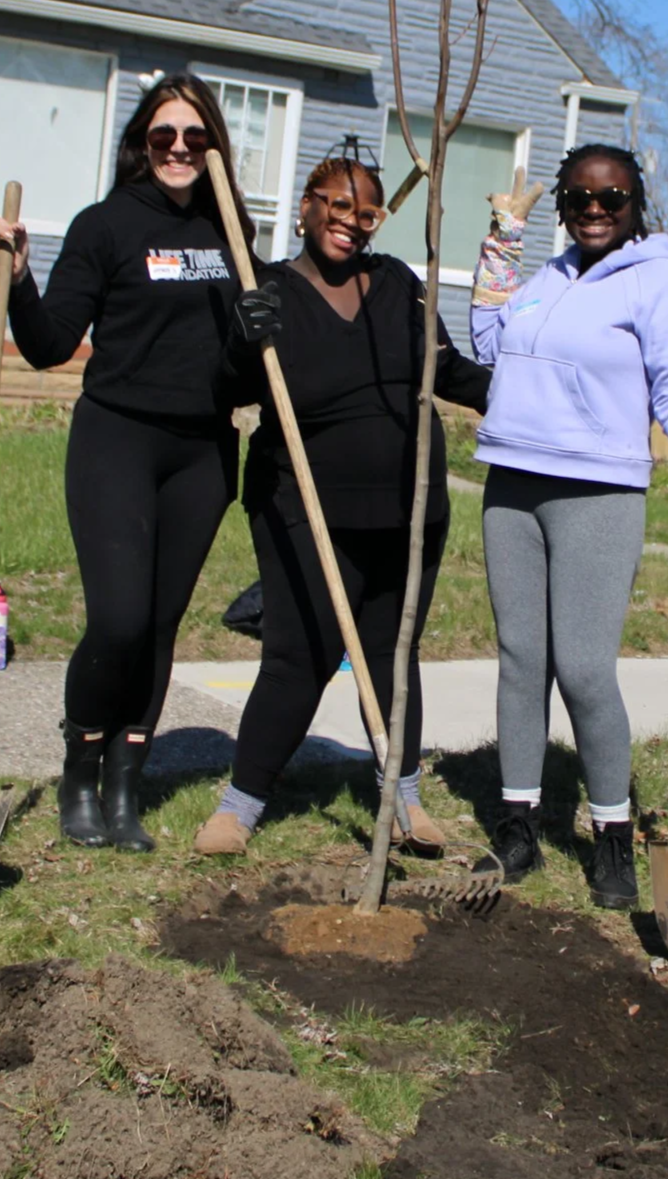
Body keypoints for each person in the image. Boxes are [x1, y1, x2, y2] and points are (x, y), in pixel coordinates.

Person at [0, 74, 256, 853]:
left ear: (216, 150)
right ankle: (78, 771)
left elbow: (245, 377)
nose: (181, 150)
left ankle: (126, 785)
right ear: (143, 144)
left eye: (196, 138)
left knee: (159, 626)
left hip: (203, 451)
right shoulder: (106, 225)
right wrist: (18, 276)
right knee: (120, 619)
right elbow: (50, 343)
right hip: (118, 439)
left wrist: (260, 334)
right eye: (165, 136)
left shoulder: (233, 234)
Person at [467, 143, 668, 909]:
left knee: (586, 668)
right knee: (521, 658)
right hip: (512, 484)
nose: (595, 210)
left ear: (637, 204)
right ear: (563, 203)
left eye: (613, 197)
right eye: (579, 198)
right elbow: (488, 342)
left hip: (597, 492)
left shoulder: (661, 281)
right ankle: (519, 824)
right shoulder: (548, 276)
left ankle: (611, 838)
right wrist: (503, 237)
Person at [191, 156, 491, 857]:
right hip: (304, 503)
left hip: (408, 506)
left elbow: (445, 368)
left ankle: (405, 796)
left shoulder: (396, 285)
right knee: (300, 655)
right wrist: (243, 338)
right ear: (305, 207)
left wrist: (525, 396)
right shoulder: (267, 289)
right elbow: (228, 388)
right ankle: (241, 804)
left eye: (366, 213)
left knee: (393, 653)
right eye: (335, 207)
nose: (349, 224)